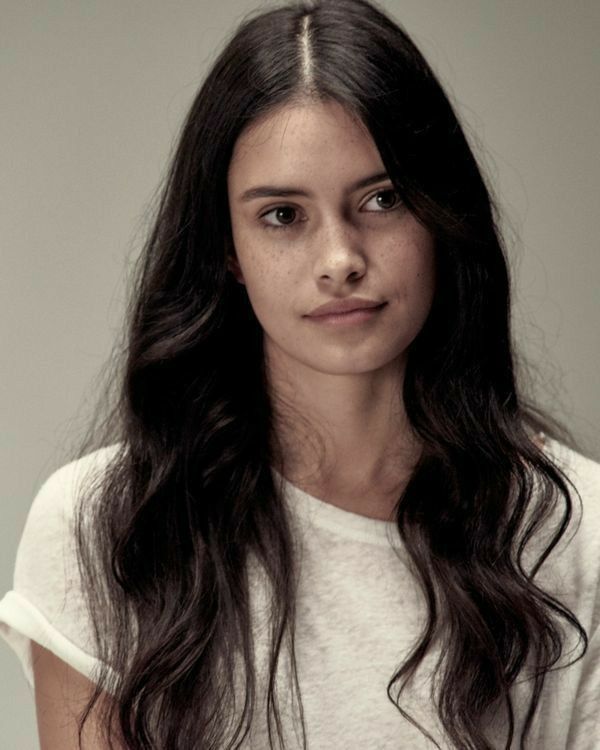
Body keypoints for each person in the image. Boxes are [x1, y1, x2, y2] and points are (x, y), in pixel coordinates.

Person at [1, 0, 599, 748]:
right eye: (283, 215)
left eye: (383, 200)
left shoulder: (575, 530)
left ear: (442, 217)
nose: (340, 258)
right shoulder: (106, 529)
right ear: (227, 249)